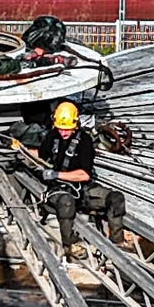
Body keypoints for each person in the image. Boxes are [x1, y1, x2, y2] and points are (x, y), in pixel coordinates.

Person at [34, 100, 124, 252]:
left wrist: (57, 174)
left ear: (75, 125)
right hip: (60, 190)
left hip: (81, 188)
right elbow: (40, 155)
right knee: (66, 202)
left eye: (67, 130)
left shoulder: (85, 141)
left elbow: (84, 175)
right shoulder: (52, 136)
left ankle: (117, 242)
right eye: (60, 129)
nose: (63, 133)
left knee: (116, 198)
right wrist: (20, 149)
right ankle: (70, 244)